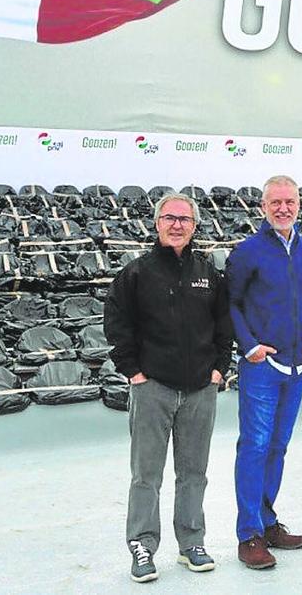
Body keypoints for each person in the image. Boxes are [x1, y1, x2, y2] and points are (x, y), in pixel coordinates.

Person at [106, 192, 234, 583]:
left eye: (185, 219)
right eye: (169, 218)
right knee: (147, 474)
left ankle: (191, 541)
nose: (177, 225)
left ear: (195, 227)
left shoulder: (208, 273)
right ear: (157, 223)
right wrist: (132, 371)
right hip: (153, 388)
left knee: (194, 472)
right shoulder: (137, 273)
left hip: (201, 389)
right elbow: (117, 322)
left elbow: (223, 325)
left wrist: (219, 369)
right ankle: (142, 546)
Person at [227, 175, 302, 569]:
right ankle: (248, 533)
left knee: (278, 446)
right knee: (254, 445)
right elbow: (230, 305)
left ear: (299, 204)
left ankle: (268, 522)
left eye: (290, 201)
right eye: (276, 202)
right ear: (263, 207)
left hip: (298, 364)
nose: (283, 208)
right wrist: (249, 346)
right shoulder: (247, 252)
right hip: (262, 367)